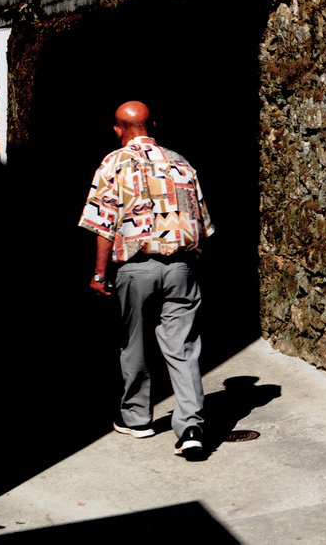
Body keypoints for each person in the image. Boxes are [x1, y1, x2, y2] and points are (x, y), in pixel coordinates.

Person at [79, 101, 215, 458]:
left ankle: (137, 419)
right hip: (180, 266)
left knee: (133, 342)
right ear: (152, 124)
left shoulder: (113, 163)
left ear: (117, 129)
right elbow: (202, 225)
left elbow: (103, 224)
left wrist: (98, 272)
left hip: (135, 267)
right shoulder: (182, 163)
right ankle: (191, 428)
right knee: (183, 347)